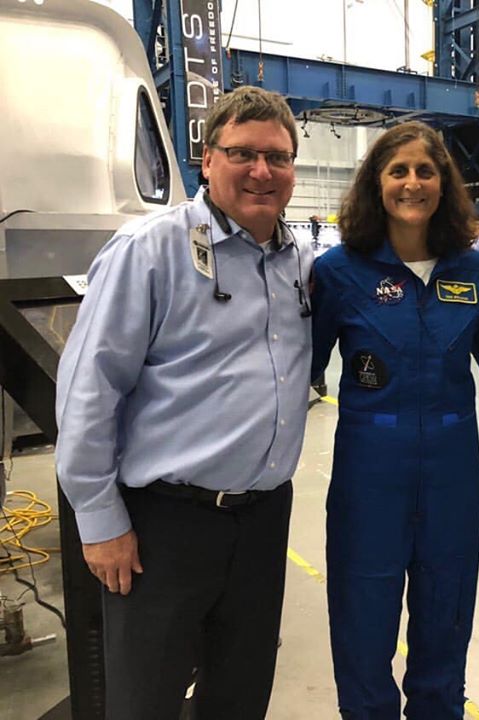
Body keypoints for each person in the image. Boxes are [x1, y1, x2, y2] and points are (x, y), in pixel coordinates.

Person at [55, 86, 311, 719]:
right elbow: (90, 389)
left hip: (261, 521)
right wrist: (99, 519)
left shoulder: (300, 263)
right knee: (147, 699)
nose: (261, 172)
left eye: (277, 158)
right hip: (163, 525)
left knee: (239, 693)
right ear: (207, 158)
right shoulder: (150, 250)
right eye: (242, 153)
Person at [310, 121, 479, 719]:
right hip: (370, 480)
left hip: (452, 477)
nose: (413, 183)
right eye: (399, 171)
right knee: (363, 630)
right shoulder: (339, 272)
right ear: (377, 183)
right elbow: (298, 372)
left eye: (426, 170)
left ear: (445, 184)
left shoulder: (474, 273)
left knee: (446, 624)